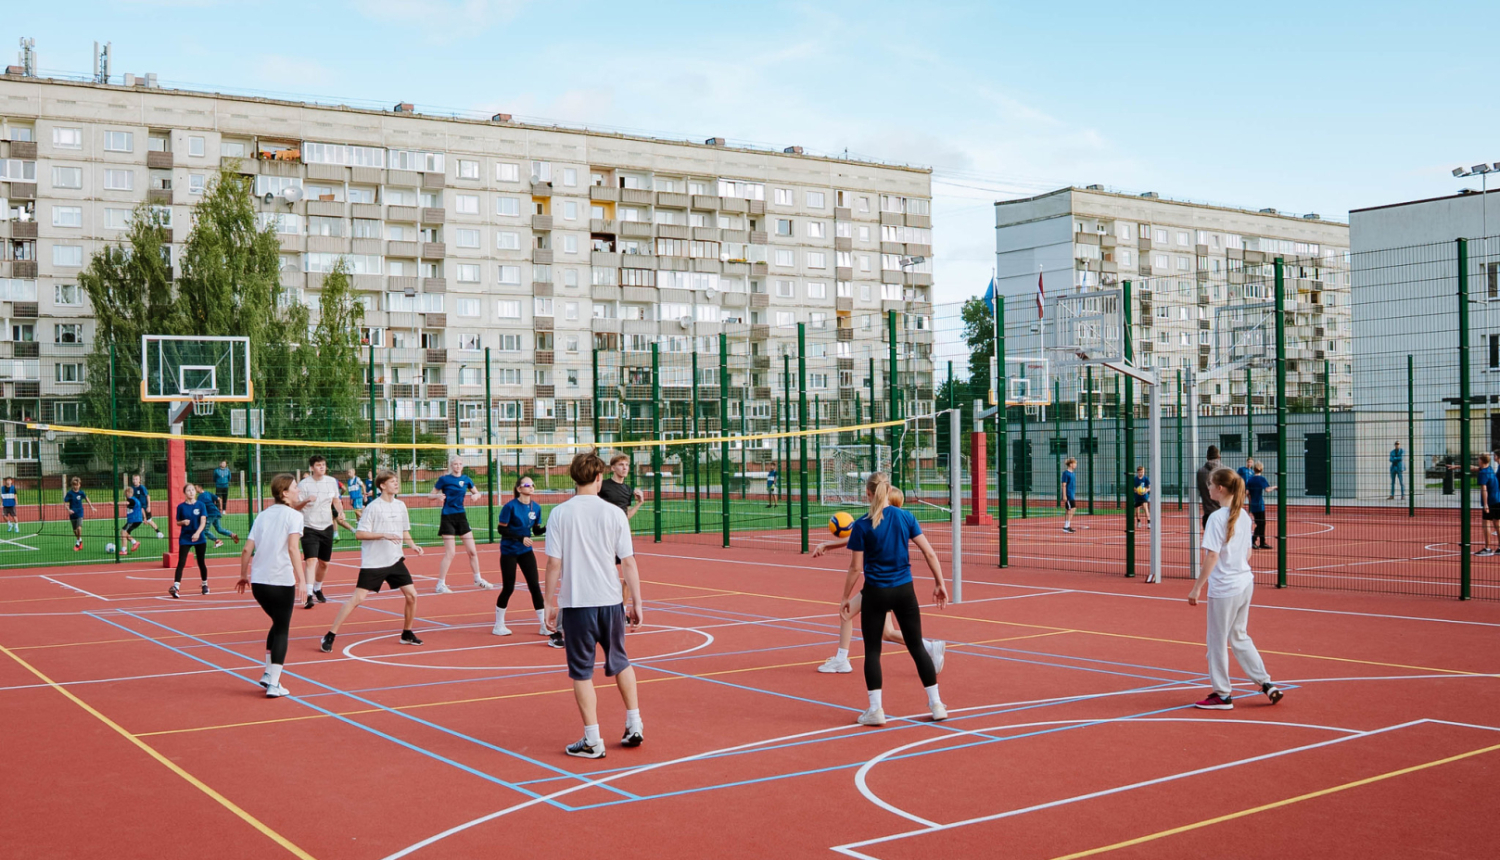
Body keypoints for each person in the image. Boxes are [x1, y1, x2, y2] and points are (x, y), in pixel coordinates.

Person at [543, 450, 644, 759]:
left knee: (582, 672)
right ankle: (634, 723)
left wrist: (549, 604)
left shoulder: (560, 514)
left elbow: (553, 564)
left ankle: (592, 739)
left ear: (574, 478)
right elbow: (628, 563)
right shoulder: (614, 513)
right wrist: (637, 602)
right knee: (620, 661)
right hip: (611, 600)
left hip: (578, 603)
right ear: (600, 477)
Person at [841, 473, 948, 726]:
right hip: (904, 591)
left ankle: (876, 710)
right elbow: (929, 553)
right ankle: (936, 704)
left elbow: (856, 568)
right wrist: (940, 583)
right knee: (917, 647)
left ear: (868, 494)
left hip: (876, 593)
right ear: (888, 491)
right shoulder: (906, 517)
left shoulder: (862, 525)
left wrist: (845, 596)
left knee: (873, 651)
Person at [814, 487, 944, 675]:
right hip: (894, 586)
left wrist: (829, 545)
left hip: (881, 585)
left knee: (847, 612)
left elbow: (857, 549)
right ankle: (930, 647)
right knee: (887, 633)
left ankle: (842, 659)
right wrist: (828, 545)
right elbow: (856, 536)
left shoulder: (883, 520)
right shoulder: (893, 520)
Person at [1187, 468, 1283, 710]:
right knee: (1239, 636)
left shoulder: (1216, 518)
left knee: (1216, 643)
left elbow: (1212, 556)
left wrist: (1197, 588)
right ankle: (1266, 683)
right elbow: (1248, 552)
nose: (1207, 489)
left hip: (1225, 589)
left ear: (1220, 489)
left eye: (1210, 485)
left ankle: (1222, 694)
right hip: (1244, 584)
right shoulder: (1243, 515)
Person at [321, 470, 425, 653]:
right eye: (392, 481)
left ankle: (406, 633)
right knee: (358, 599)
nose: (396, 484)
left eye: (396, 481)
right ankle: (330, 634)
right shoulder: (373, 507)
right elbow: (360, 535)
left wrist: (413, 545)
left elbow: (404, 531)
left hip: (394, 559)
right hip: (374, 562)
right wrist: (383, 534)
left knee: (412, 595)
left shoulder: (400, 506)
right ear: (382, 486)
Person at [235, 474, 306, 699]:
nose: (298, 491)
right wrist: (303, 580)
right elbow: (294, 549)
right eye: (295, 487)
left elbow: (247, 550)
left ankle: (268, 674)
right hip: (281, 581)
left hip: (259, 583)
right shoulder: (294, 516)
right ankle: (274, 683)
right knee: (283, 629)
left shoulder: (262, 516)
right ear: (284, 493)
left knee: (277, 623)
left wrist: (243, 575)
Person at [496, 476, 557, 645]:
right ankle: (498, 624)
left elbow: (536, 531)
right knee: (509, 587)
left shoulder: (535, 507)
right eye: (527, 484)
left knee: (535, 586)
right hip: (509, 551)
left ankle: (543, 625)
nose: (531, 487)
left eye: (532, 484)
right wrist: (520, 537)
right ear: (518, 488)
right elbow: (501, 529)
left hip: (526, 551)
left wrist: (548, 527)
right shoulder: (510, 507)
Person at [295, 456, 356, 609]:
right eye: (318, 465)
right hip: (309, 526)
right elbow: (295, 506)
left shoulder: (331, 482)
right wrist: (306, 500)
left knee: (324, 563)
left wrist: (341, 511)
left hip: (327, 526)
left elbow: (336, 500)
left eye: (323, 465)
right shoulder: (304, 484)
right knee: (311, 560)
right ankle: (309, 595)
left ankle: (317, 588)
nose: (322, 467)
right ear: (311, 468)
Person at [430, 457, 492, 593]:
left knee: (472, 551)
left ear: (462, 466)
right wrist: (437, 497)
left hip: (461, 517)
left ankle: (478, 579)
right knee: (451, 552)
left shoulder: (466, 479)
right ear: (451, 466)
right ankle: (440, 584)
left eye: (459, 464)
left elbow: (476, 492)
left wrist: (476, 496)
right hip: (447, 516)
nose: (457, 466)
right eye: (455, 464)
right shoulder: (444, 479)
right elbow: (430, 495)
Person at [171, 484, 209, 597]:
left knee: (201, 562)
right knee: (181, 562)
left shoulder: (201, 505)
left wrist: (197, 533)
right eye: (188, 490)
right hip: (186, 538)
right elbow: (178, 522)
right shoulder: (181, 507)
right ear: (185, 493)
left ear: (195, 492)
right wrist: (183, 522)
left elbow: (203, 521)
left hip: (199, 538)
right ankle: (176, 587)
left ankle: (204, 584)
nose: (191, 492)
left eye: (192, 490)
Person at [1245, 462, 1277, 550]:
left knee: (1260, 523)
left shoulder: (1250, 479)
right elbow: (1267, 489)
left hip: (1253, 504)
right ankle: (1253, 540)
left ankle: (1262, 542)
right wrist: (1274, 487)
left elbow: (1247, 492)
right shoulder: (1262, 479)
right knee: (1261, 523)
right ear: (1262, 469)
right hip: (1259, 504)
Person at [130, 474, 167, 540]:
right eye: (133, 479)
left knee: (149, 521)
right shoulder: (132, 488)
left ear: (139, 480)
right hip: (138, 508)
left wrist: (148, 506)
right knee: (136, 521)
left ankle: (158, 532)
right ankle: (128, 532)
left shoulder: (142, 488)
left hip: (144, 507)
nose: (135, 481)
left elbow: (148, 496)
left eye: (136, 479)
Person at [64, 477, 96, 552]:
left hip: (80, 512)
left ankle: (77, 543)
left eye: (77, 485)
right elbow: (65, 503)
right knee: (75, 530)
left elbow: (86, 498)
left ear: (79, 485)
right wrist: (68, 510)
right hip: (72, 514)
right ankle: (80, 540)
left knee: (79, 528)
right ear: (72, 485)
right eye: (74, 485)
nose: (76, 486)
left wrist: (91, 506)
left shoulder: (81, 493)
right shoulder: (70, 493)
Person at [1196, 445, 1224, 528]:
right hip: (1223, 512)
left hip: (1209, 513)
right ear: (1219, 456)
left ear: (1207, 457)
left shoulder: (1201, 472)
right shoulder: (1226, 471)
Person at [1478, 453, 1500, 557]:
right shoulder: (1490, 470)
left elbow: (1484, 490)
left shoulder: (1483, 473)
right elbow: (1474, 468)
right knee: (1497, 524)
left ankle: (1488, 548)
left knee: (1486, 523)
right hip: (1498, 500)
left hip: (1490, 501)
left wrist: (1485, 504)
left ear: (1481, 460)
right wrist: (1458, 466)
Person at [120, 485, 144, 556]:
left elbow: (127, 503)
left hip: (134, 519)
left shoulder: (131, 499)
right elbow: (141, 508)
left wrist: (115, 503)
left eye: (125, 493)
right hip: (136, 519)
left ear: (128, 492)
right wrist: (144, 517)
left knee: (123, 532)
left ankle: (124, 550)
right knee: (125, 533)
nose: (125, 495)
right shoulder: (136, 500)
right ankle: (134, 542)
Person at [1060, 457, 1078, 533]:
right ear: (1070, 464)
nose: (1075, 465)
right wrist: (1064, 495)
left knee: (1069, 509)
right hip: (1068, 494)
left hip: (1072, 494)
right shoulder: (1066, 473)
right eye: (1074, 463)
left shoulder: (1073, 473)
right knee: (1072, 509)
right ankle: (1066, 526)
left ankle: (1067, 526)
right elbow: (1064, 484)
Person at [1133, 465, 1151, 530]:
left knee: (1145, 508)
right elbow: (1133, 487)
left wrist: (1146, 490)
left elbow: (1149, 487)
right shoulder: (1135, 479)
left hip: (1144, 496)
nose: (1141, 473)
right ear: (1137, 472)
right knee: (1137, 511)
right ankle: (1139, 521)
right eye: (1140, 472)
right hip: (1137, 496)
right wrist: (1137, 490)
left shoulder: (1146, 479)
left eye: (1142, 472)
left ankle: (1149, 523)